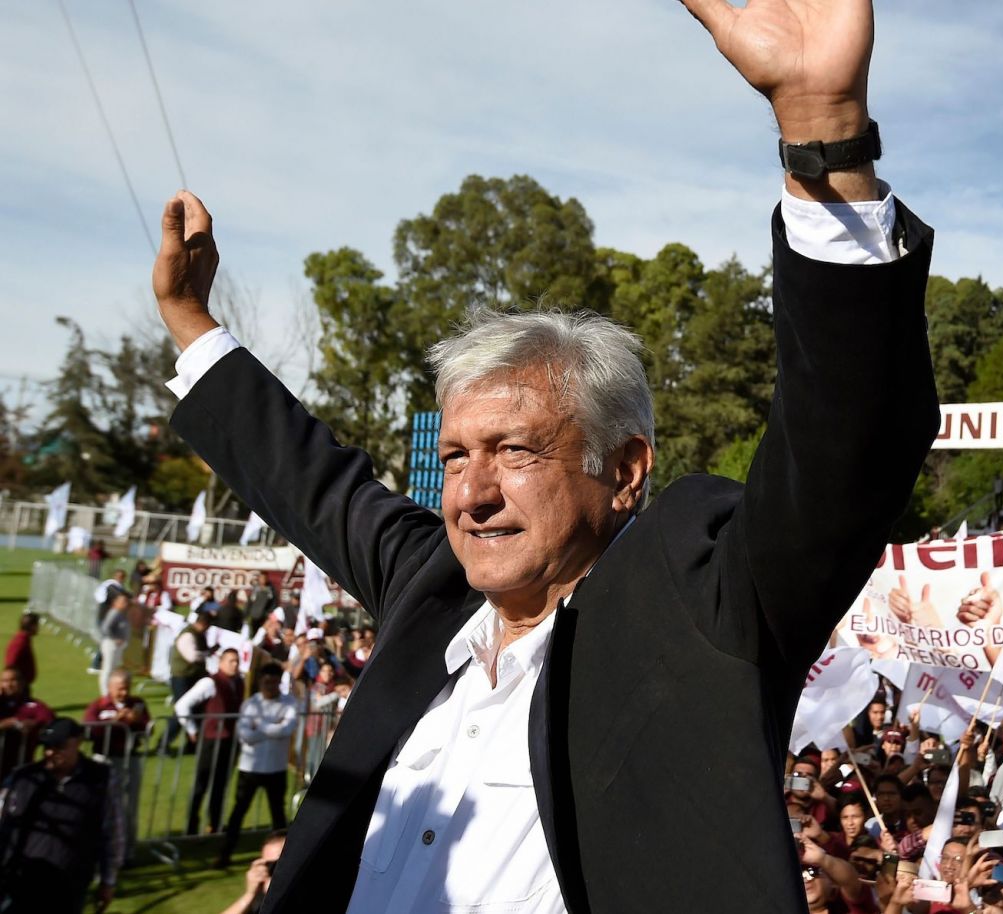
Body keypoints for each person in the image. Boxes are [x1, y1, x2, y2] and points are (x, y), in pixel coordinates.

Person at [146, 0, 936, 908]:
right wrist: (193, 327)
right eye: (454, 456)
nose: (472, 493)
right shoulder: (431, 591)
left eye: (515, 450)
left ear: (627, 469)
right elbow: (313, 486)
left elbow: (846, 447)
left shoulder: (698, 615)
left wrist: (823, 133)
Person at [0, 718, 124, 913]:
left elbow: (113, 831)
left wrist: (108, 881)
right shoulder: (22, 777)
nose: (50, 753)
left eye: (59, 747)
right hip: (20, 880)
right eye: (47, 747)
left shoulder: (102, 778)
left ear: (78, 742)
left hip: (70, 882)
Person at [220, 660, 301, 866]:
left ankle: (281, 859)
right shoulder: (251, 703)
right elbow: (245, 735)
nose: (270, 687)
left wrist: (261, 725)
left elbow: (286, 729)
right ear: (260, 683)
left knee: (278, 814)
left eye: (274, 683)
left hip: (276, 767)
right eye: (267, 683)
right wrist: (271, 728)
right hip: (250, 768)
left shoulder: (289, 702)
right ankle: (225, 853)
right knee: (239, 811)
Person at [175, 647, 245, 834]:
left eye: (237, 661)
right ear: (221, 662)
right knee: (201, 784)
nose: (235, 665)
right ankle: (191, 826)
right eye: (231, 661)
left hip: (230, 741)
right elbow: (182, 705)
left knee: (220, 786)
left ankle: (215, 824)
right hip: (211, 740)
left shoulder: (239, 682)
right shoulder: (210, 682)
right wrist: (192, 730)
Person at [82, 670, 150, 855]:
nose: (124, 693)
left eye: (127, 688)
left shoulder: (138, 704)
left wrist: (136, 723)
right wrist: (114, 722)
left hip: (130, 759)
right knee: (102, 805)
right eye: (120, 689)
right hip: (104, 759)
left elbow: (148, 729)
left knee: (129, 808)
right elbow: (88, 732)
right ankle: (99, 850)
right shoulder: (98, 706)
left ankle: (127, 851)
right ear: (110, 687)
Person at [159, 604, 214, 754]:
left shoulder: (198, 634)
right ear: (202, 624)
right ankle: (163, 744)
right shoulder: (188, 635)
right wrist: (207, 654)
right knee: (181, 711)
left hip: (193, 677)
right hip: (181, 677)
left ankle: (192, 745)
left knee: (195, 711)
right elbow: (192, 656)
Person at [0, 666, 55, 779]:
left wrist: (33, 724)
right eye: (4, 681)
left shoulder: (33, 705)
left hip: (22, 765)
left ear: (22, 683)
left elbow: (49, 720)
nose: (9, 685)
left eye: (13, 680)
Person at [219, 829, 286, 914]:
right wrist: (249, 895)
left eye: (276, 864)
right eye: (267, 864)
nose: (270, 869)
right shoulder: (260, 897)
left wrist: (277, 893)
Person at [96, 591, 133, 696]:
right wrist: (114, 638)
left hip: (117, 645)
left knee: (113, 669)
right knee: (108, 669)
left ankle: (112, 690)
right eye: (123, 602)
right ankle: (105, 693)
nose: (125, 604)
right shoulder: (114, 613)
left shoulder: (122, 614)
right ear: (116, 603)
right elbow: (105, 627)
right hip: (111, 644)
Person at [5, 611, 38, 693]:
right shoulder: (20, 641)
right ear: (31, 626)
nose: (38, 628)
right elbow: (11, 662)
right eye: (36, 625)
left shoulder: (23, 639)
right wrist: (15, 681)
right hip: (19, 686)